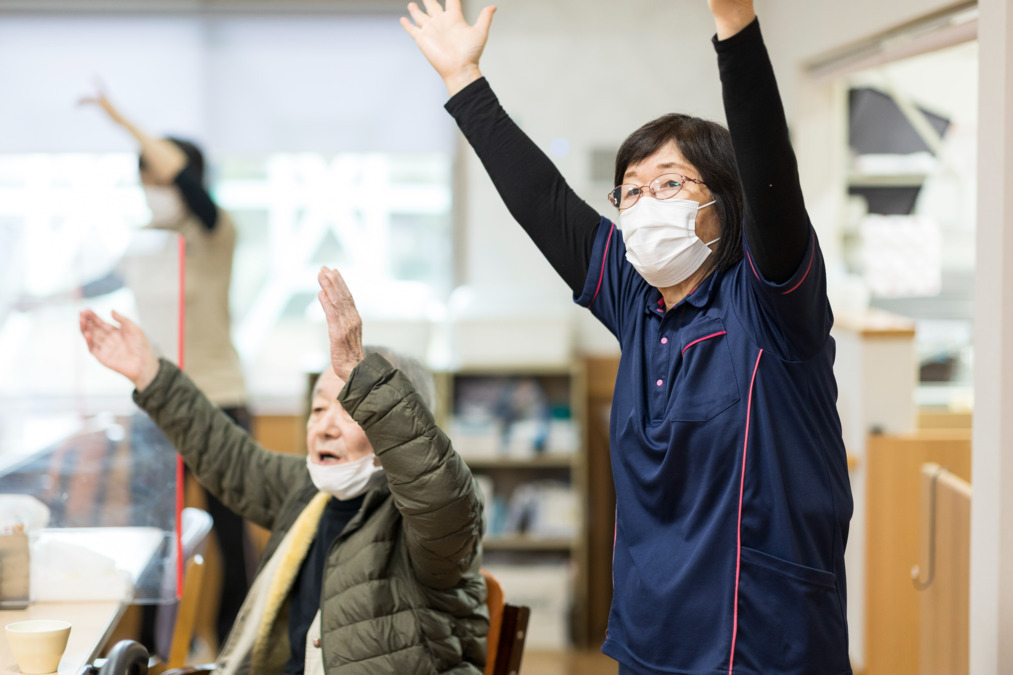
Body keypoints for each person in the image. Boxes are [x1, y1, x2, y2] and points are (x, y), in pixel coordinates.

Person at [402, 1, 853, 673]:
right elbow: (542, 202)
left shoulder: (769, 302)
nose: (643, 205)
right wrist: (463, 80)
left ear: (722, 203)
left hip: (761, 638)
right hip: (650, 636)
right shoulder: (635, 297)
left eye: (668, 183)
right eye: (631, 190)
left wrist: (735, 29)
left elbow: (770, 172)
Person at [78, 265, 488, 675]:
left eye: (349, 410)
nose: (324, 426)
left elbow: (440, 492)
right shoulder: (308, 493)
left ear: (391, 418)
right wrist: (150, 375)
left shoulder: (431, 526)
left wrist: (366, 379)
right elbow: (229, 457)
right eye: (318, 408)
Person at [78, 89, 253, 648]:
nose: (153, 189)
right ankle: (149, 651)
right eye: (144, 179)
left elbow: (183, 179)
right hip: (160, 406)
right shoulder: (143, 247)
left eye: (160, 177)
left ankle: (235, 646)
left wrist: (119, 117)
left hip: (220, 398)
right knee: (159, 537)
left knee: (228, 536)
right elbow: (91, 286)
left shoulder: (213, 231)